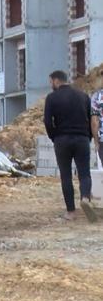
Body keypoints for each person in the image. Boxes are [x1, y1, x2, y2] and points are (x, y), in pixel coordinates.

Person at [44, 70, 95, 221]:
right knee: (84, 173)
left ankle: (71, 212)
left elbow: (47, 122)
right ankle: (85, 198)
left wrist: (54, 136)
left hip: (62, 140)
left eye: (50, 82)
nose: (50, 85)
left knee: (66, 176)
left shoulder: (52, 98)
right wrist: (89, 137)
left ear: (55, 81)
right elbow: (91, 119)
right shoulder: (83, 96)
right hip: (82, 139)